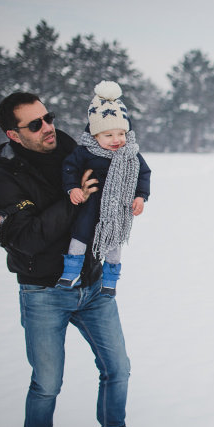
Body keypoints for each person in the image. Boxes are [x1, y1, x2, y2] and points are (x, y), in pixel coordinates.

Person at [0, 91, 135, 427]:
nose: (48, 126)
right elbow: (26, 238)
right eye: (35, 124)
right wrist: (75, 200)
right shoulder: (4, 180)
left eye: (48, 116)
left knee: (118, 368)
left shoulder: (73, 148)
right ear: (13, 134)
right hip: (44, 292)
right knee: (48, 382)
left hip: (94, 285)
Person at [57, 80, 151, 293]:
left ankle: (110, 279)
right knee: (80, 234)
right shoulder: (85, 152)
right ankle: (70, 272)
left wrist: (140, 196)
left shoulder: (130, 154)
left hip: (118, 207)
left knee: (114, 241)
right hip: (91, 204)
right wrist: (73, 188)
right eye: (108, 135)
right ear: (95, 135)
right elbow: (69, 168)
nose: (116, 140)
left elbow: (143, 174)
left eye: (121, 134)